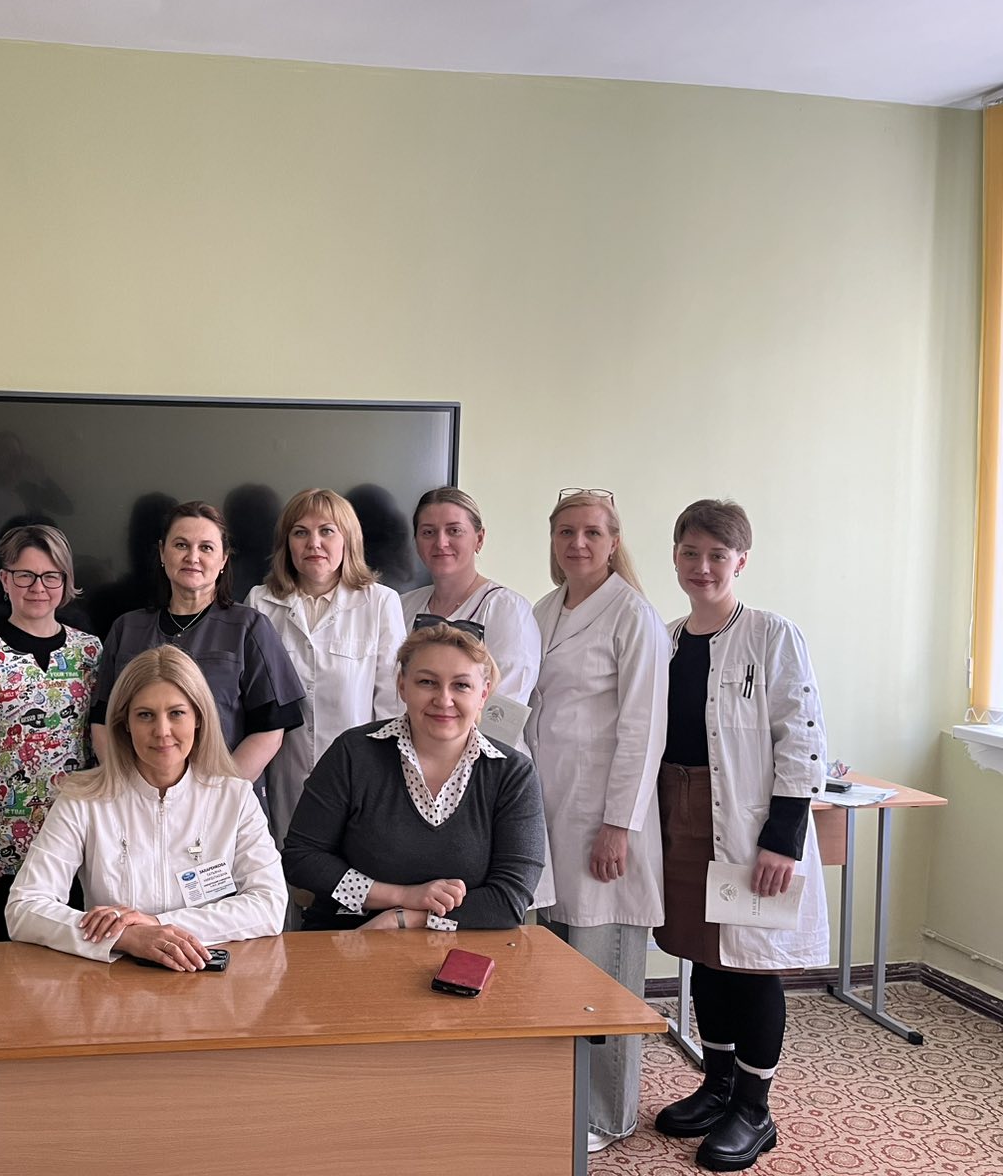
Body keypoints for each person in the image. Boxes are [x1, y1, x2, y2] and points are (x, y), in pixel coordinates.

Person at [651, 500, 830, 1171]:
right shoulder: (667, 639)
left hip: (750, 823)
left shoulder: (772, 634)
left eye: (717, 556)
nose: (702, 567)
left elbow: (802, 736)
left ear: (740, 562)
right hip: (681, 814)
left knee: (750, 966)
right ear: (675, 556)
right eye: (690, 553)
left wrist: (783, 836)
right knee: (704, 955)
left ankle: (754, 1109)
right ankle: (718, 1085)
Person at [527, 488, 669, 1153]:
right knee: (556, 966)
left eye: (591, 532)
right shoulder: (543, 609)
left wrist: (619, 825)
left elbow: (644, 729)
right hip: (546, 809)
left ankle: (609, 1113)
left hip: (602, 820)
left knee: (602, 966)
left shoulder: (633, 615)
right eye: (565, 532)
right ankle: (563, 1098)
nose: (577, 543)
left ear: (614, 541)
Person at [5, 646, 287, 962]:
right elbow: (24, 908)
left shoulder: (235, 797)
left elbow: (269, 904)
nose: (162, 732)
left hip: (206, 973)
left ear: (198, 718)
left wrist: (158, 926)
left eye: (176, 713)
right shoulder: (82, 799)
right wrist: (126, 937)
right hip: (112, 977)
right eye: (145, 715)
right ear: (125, 723)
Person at [282, 623, 546, 931]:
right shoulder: (353, 753)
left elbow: (510, 899)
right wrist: (402, 895)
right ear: (402, 685)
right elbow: (301, 859)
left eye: (461, 685)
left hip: (463, 946)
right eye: (427, 682)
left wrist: (405, 918)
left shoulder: (513, 774)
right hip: (349, 935)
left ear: (483, 694)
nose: (444, 700)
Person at [0, 524, 102, 940]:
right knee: (0, 962)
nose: (38, 587)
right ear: (5, 579)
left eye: (51, 576)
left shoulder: (90, 652)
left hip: (78, 845)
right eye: (25, 575)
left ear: (65, 581)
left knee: (76, 962)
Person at [90, 501, 304, 795]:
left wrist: (215, 799)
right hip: (137, 800)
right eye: (181, 545)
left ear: (223, 559)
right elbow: (103, 722)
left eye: (206, 548)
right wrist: (132, 791)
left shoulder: (250, 627)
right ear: (162, 552)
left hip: (223, 802)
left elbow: (270, 730)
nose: (192, 557)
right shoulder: (126, 629)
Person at [247, 488, 406, 843]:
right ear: (287, 543)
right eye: (300, 532)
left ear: (348, 539)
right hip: (283, 776)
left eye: (327, 531)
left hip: (359, 775)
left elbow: (392, 705)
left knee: (350, 865)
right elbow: (252, 703)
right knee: (288, 860)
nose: (313, 543)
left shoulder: (380, 603)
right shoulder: (261, 602)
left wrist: (384, 780)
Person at [398, 487, 541, 726]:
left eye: (454, 530)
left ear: (479, 539)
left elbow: (503, 719)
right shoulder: (403, 606)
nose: (441, 542)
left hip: (483, 749)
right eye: (428, 532)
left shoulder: (507, 610)